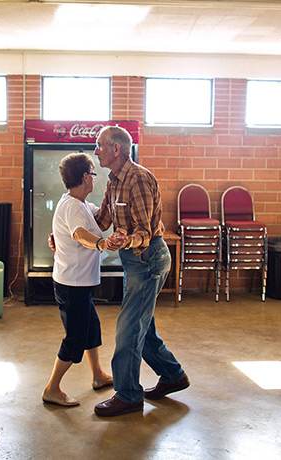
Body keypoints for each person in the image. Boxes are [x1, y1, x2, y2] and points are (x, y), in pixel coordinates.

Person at [92, 126, 189, 417]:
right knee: (140, 326)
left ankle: (129, 395)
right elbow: (102, 220)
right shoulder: (113, 181)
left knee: (129, 328)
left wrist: (128, 239)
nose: (96, 151)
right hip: (134, 261)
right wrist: (67, 229)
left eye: (100, 146)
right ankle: (173, 376)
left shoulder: (139, 179)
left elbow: (145, 231)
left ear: (116, 149)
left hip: (149, 259)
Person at [42, 152, 113, 407]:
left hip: (79, 284)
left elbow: (102, 216)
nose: (94, 179)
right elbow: (80, 234)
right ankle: (52, 388)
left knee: (91, 329)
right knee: (75, 339)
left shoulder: (81, 203)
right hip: (72, 285)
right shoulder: (72, 206)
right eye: (93, 174)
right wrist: (101, 244)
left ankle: (97, 376)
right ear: (85, 177)